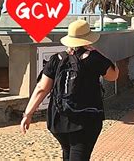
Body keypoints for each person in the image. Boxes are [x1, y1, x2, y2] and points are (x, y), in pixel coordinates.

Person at [20, 20, 119, 161]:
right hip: (86, 120)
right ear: (88, 39)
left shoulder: (56, 59)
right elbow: (113, 75)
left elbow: (42, 88)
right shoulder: (95, 58)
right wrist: (97, 52)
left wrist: (27, 114)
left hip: (58, 119)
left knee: (67, 153)